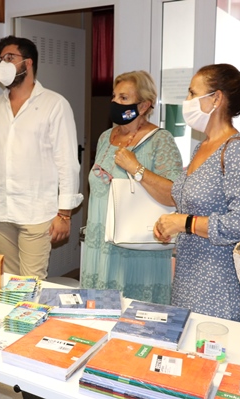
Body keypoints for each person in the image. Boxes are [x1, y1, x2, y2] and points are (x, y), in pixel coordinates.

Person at [155, 64, 240, 322]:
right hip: (187, 280)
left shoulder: (237, 151)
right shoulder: (201, 147)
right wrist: (172, 223)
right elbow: (193, 206)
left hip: (218, 289)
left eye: (193, 93)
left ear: (216, 98)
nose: (187, 101)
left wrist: (184, 223)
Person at [0, 36, 83, 280]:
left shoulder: (55, 104)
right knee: (9, 281)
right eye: (0, 59)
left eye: (10, 58)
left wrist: (64, 214)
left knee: (31, 284)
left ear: (28, 63)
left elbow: (68, 163)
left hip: (37, 214)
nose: (2, 64)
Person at [80, 71, 183, 305]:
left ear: (144, 105)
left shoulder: (161, 140)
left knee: (135, 321)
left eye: (124, 98)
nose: (116, 103)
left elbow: (173, 195)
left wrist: (136, 169)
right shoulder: (106, 137)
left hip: (137, 248)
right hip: (100, 246)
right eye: (114, 97)